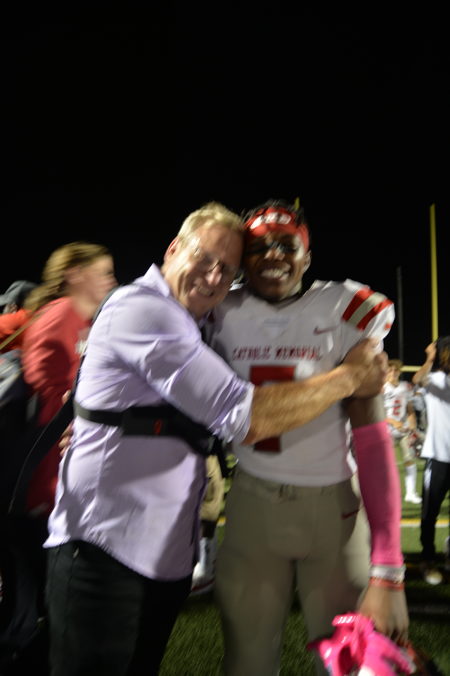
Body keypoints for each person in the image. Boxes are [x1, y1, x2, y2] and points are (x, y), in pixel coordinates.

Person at [44, 202, 387, 676]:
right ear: (173, 249)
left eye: (226, 269)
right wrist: (349, 376)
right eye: (203, 258)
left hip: (164, 553)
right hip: (106, 545)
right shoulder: (150, 309)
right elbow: (241, 416)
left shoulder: (204, 316)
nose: (212, 276)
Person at [209, 200, 408, 675]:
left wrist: (389, 569)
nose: (272, 255)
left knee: (349, 663)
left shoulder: (344, 308)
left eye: (286, 245)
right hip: (252, 506)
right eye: (259, 247)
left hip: (334, 513)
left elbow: (373, 439)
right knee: (246, 664)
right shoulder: (218, 309)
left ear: (307, 256)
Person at [412, 338, 450, 586]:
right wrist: (429, 358)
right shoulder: (434, 379)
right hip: (438, 458)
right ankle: (427, 558)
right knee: (430, 513)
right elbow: (417, 379)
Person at [383, 358, 422, 504]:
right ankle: (387, 494)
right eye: (390, 370)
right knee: (386, 464)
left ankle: (410, 493)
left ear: (399, 371)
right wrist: (393, 422)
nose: (393, 372)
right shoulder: (382, 388)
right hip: (387, 430)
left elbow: (409, 408)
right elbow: (377, 412)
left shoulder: (405, 387)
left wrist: (412, 423)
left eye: (396, 370)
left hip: (403, 429)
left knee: (409, 459)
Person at [0, 280, 37, 352]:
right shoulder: (43, 318)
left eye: (3, 307)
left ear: (13, 307)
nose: (2, 313)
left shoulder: (10, 322)